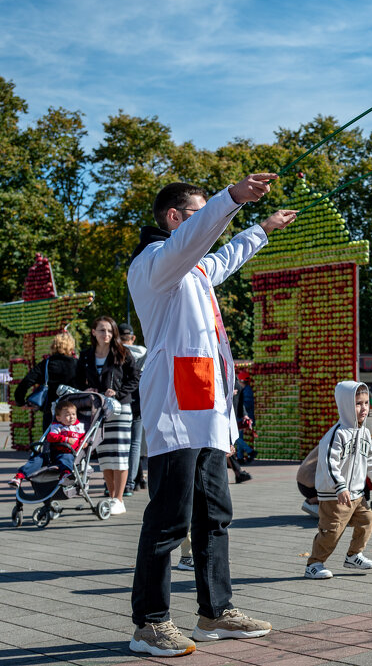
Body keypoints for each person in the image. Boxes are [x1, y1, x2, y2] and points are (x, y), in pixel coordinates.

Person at [127, 174, 296, 657]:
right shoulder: (155, 263)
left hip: (206, 407)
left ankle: (214, 612)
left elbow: (223, 258)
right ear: (175, 219)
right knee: (169, 517)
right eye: (199, 216)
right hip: (178, 409)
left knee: (215, 514)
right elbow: (198, 241)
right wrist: (232, 198)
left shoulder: (194, 269)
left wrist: (261, 228)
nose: (209, 227)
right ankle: (150, 622)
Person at [304, 381, 372, 579]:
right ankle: (314, 563)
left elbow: (370, 458)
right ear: (345, 405)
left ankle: (354, 555)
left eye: (366, 403)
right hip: (335, 495)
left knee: (368, 519)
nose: (363, 408)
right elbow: (329, 464)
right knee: (332, 531)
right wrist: (339, 486)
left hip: (357, 494)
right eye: (358, 404)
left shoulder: (365, 432)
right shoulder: (336, 434)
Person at [76, 316, 139, 514]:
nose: (107, 334)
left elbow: (135, 377)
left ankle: (119, 499)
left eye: (110, 331)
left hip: (120, 410)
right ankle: (112, 497)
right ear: (93, 332)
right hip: (98, 410)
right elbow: (78, 380)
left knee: (119, 455)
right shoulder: (86, 356)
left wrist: (118, 393)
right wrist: (88, 389)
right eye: (102, 330)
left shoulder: (122, 353)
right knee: (105, 456)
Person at [8, 399, 84, 488]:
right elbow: (51, 437)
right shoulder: (57, 426)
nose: (72, 417)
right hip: (52, 453)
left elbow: (83, 437)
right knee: (37, 459)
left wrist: (84, 442)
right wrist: (66, 439)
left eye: (74, 414)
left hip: (67, 453)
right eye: (67, 415)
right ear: (59, 418)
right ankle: (19, 477)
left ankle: (65, 476)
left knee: (66, 459)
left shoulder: (79, 427)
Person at [14, 331, 79, 431]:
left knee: (50, 440)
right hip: (74, 411)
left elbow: (26, 382)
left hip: (52, 411)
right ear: (71, 347)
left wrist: (20, 401)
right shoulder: (78, 364)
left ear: (53, 346)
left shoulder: (46, 364)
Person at [119, 323, 148, 497]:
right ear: (133, 338)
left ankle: (128, 481)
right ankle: (133, 480)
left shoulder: (114, 352)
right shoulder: (144, 352)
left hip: (121, 399)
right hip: (139, 399)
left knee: (121, 442)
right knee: (135, 442)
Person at [297, 444, 321, 517]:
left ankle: (318, 501)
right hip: (311, 484)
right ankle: (312, 501)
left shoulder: (331, 436)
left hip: (303, 481)